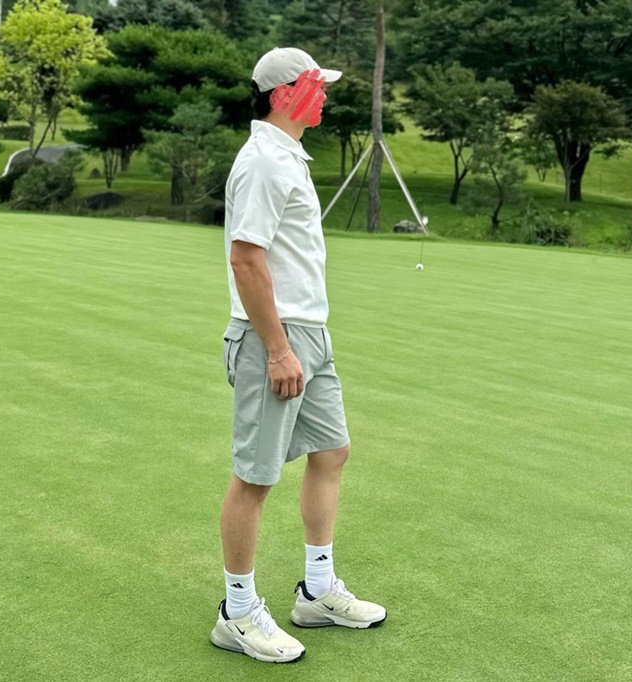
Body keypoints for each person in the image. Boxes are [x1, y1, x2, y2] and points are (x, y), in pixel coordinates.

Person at [210, 47, 386, 664]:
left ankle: (316, 591)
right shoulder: (263, 160)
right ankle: (237, 612)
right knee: (256, 476)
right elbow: (246, 259)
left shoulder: (287, 155)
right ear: (286, 94)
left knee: (331, 452)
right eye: (318, 85)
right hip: (274, 338)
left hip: (308, 333)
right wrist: (279, 349)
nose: (326, 94)